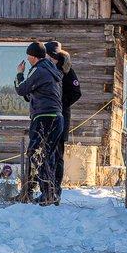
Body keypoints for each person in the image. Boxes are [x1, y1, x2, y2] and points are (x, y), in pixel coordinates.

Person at [14, 41, 63, 205]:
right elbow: (33, 94)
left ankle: (46, 193)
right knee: (49, 155)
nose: (27, 59)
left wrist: (19, 74)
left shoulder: (39, 70)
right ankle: (51, 193)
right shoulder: (51, 69)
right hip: (57, 117)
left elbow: (21, 89)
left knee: (36, 154)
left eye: (28, 56)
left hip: (44, 117)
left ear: (33, 56)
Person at [45, 40, 80, 204]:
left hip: (61, 117)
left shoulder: (67, 71)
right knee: (44, 153)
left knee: (57, 155)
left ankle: (55, 190)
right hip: (46, 117)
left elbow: (76, 92)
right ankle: (44, 188)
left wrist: (60, 103)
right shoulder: (44, 69)